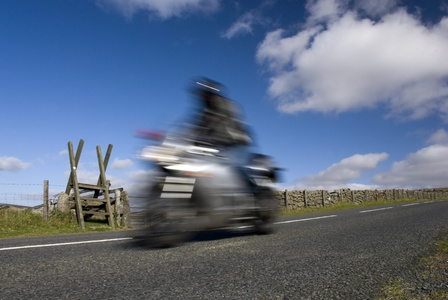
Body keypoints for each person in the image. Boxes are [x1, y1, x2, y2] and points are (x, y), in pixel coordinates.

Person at [191, 78, 251, 148]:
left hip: (233, 142)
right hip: (221, 141)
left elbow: (221, 122)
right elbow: (200, 124)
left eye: (203, 93)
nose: (201, 96)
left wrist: (200, 134)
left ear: (209, 92)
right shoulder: (208, 109)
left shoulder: (223, 104)